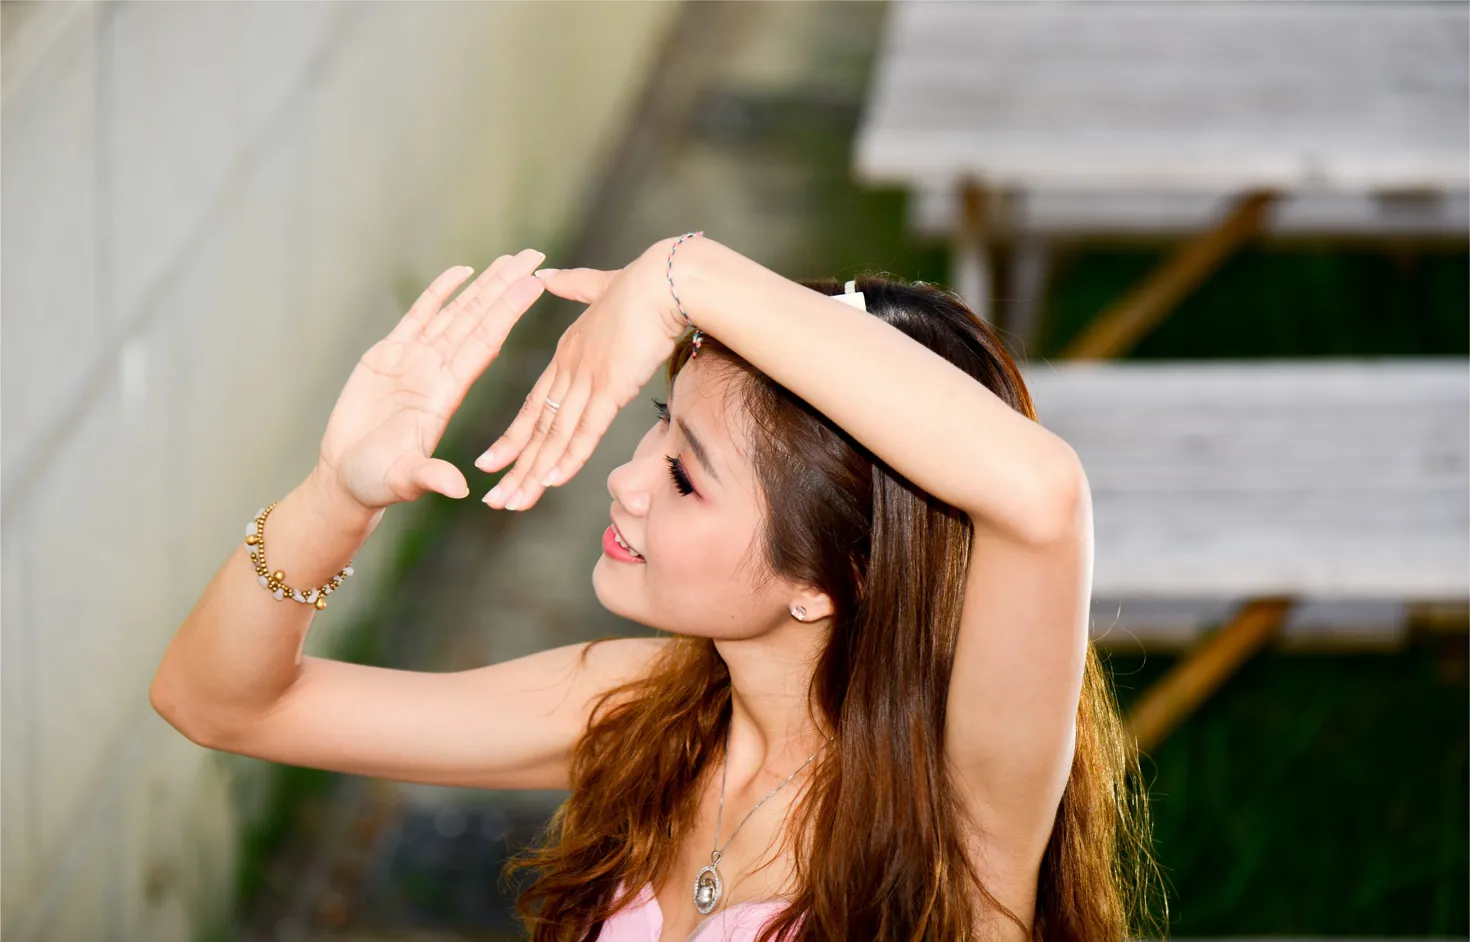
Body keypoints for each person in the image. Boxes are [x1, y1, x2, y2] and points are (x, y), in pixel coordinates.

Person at [150, 236, 1166, 941]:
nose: (627, 481)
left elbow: (1041, 496)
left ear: (831, 580)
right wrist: (336, 499)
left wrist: (684, 273)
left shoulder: (954, 809)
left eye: (685, 474)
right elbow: (218, 702)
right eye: (657, 424)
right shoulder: (646, 713)